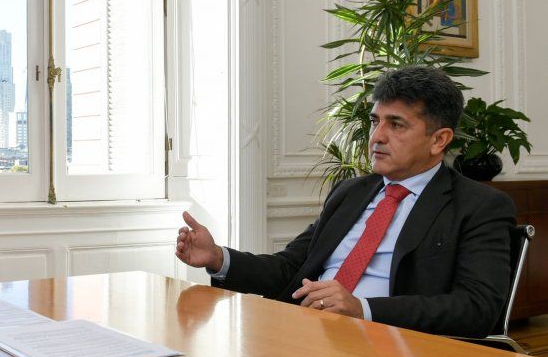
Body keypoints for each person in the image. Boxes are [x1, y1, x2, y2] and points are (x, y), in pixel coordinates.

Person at [175, 65, 515, 338]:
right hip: (308, 336)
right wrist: (218, 257)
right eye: (375, 121)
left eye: (396, 125)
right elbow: (291, 268)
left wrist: (363, 308)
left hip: (396, 350)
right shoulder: (351, 192)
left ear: (439, 140)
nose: (377, 137)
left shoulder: (479, 206)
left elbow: (477, 308)